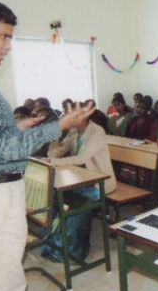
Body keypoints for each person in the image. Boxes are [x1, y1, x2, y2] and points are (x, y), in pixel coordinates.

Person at [0, 0, 95, 291]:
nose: (8, 46)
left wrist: (17, 126)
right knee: (3, 285)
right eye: (2, 36)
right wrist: (59, 126)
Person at [43, 102, 117, 261]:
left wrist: (51, 161)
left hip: (100, 181)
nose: (68, 118)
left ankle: (74, 251)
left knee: (76, 208)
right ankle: (57, 245)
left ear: (84, 116)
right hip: (80, 178)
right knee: (62, 204)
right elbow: (55, 153)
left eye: (74, 115)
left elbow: (80, 158)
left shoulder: (97, 132)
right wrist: (56, 137)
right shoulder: (75, 131)